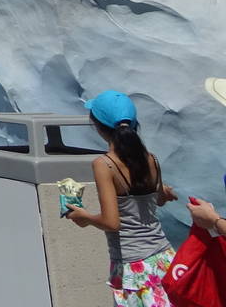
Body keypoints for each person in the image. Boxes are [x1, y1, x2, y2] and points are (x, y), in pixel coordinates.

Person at [66, 90, 178, 305]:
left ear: (97, 126)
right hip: (163, 259)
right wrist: (163, 192)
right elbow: (158, 199)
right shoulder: (151, 159)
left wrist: (84, 217)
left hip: (131, 266)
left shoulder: (104, 164)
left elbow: (111, 222)